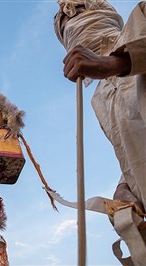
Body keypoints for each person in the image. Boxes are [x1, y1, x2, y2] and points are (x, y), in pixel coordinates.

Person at [54, 0, 146, 215]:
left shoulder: (141, 19)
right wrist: (124, 187)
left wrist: (116, 63)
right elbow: (135, 147)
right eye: (68, 29)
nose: (76, 29)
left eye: (79, 18)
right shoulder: (100, 98)